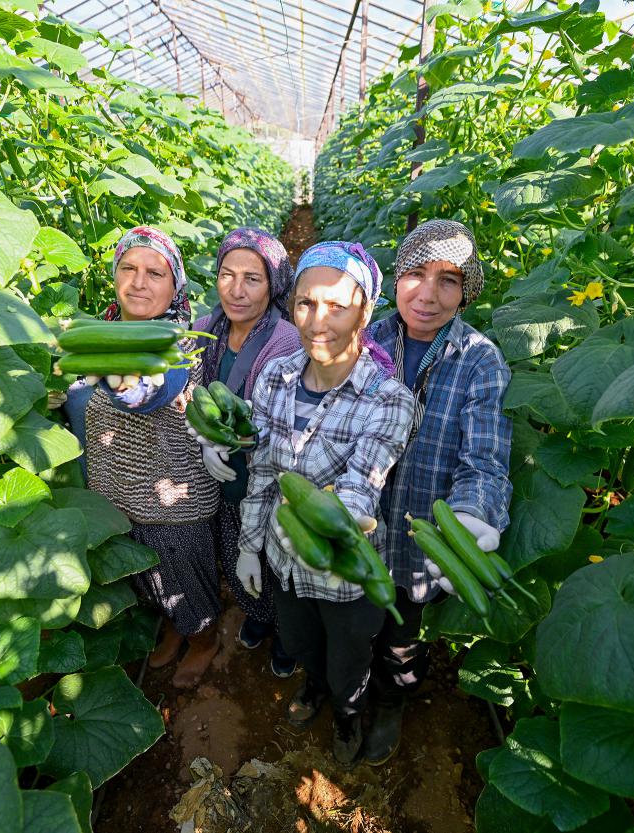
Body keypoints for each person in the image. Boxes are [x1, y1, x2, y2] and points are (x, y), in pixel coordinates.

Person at [237, 241, 414, 767]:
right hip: (284, 564)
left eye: (337, 306)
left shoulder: (389, 399)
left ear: (366, 309)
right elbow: (264, 472)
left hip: (346, 572)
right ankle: (315, 688)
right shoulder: (274, 377)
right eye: (306, 304)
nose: (318, 321)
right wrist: (251, 545)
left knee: (349, 661)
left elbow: (364, 484)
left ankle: (346, 714)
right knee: (300, 643)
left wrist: (346, 517)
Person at [362, 219, 513, 765]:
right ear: (396, 277)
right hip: (359, 525)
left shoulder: (479, 359)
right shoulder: (367, 339)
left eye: (448, 280)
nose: (428, 294)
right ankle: (353, 696)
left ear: (467, 291)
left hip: (419, 543)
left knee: (402, 633)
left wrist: (475, 515)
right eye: (416, 274)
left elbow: (485, 458)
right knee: (358, 621)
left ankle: (390, 701)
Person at [58, 226, 222, 689]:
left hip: (173, 503)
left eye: (155, 272)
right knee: (150, 585)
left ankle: (206, 642)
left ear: (175, 285)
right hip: (115, 496)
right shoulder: (98, 335)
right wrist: (59, 390)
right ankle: (173, 629)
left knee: (184, 584)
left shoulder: (180, 343)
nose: (139, 281)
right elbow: (74, 401)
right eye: (128, 268)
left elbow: (146, 395)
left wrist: (104, 368)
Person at [191, 228, 301, 677]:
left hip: (268, 477)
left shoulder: (286, 341)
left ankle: (289, 638)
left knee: (275, 557)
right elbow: (188, 395)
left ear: (273, 284)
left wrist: (234, 437)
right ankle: (257, 616)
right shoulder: (203, 329)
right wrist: (202, 436)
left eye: (252, 278)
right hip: (219, 476)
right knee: (236, 552)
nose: (236, 290)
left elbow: (286, 422)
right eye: (227, 275)